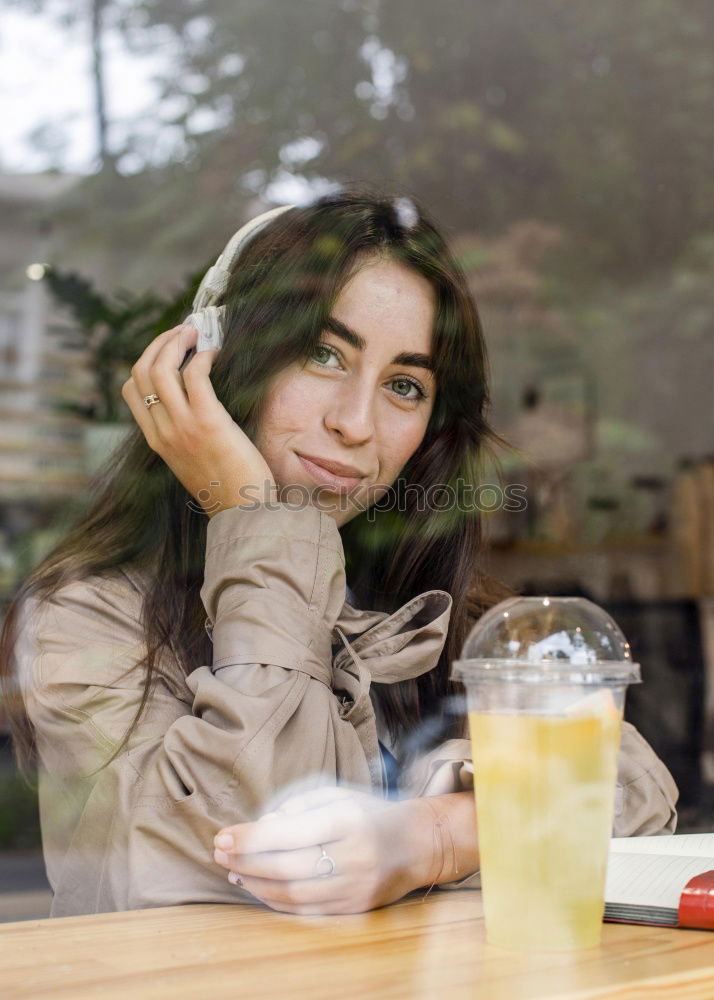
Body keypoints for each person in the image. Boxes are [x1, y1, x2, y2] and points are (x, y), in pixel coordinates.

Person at [0, 189, 678, 917]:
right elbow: (215, 868)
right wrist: (254, 517)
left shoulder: (434, 614)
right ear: (212, 364)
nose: (356, 423)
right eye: (323, 354)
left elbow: (634, 797)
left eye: (404, 386)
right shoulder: (85, 619)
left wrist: (436, 836)